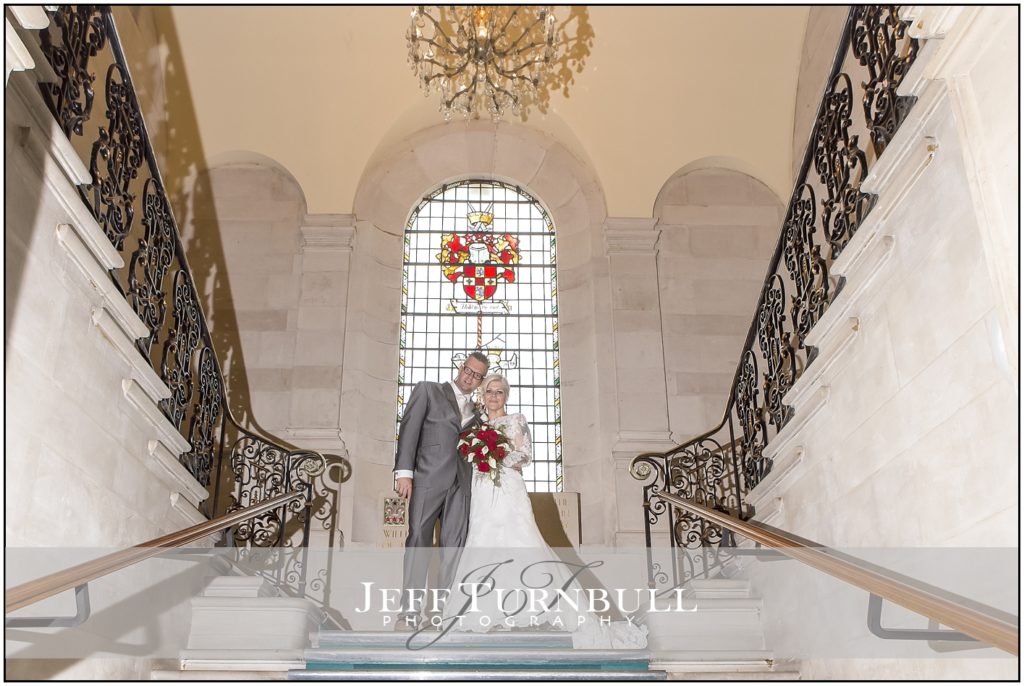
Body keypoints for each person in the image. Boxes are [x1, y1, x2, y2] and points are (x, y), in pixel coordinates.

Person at [445, 374, 648, 649]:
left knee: (522, 539)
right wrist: (479, 455)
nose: (494, 396)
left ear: (506, 395)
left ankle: (539, 608)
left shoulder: (516, 420)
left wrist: (497, 455)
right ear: (483, 396)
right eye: (489, 391)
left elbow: (526, 455)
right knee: (483, 540)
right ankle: (482, 611)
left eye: (499, 392)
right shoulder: (475, 425)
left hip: (508, 487)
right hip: (482, 489)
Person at [393, 351, 489, 631]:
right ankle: (408, 614)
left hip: (461, 486)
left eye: (477, 376)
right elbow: (409, 429)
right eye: (468, 371)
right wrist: (404, 472)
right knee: (418, 542)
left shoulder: (478, 414)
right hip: (426, 478)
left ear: (481, 381)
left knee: (453, 549)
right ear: (461, 368)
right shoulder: (428, 390)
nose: (470, 378)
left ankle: (441, 615)